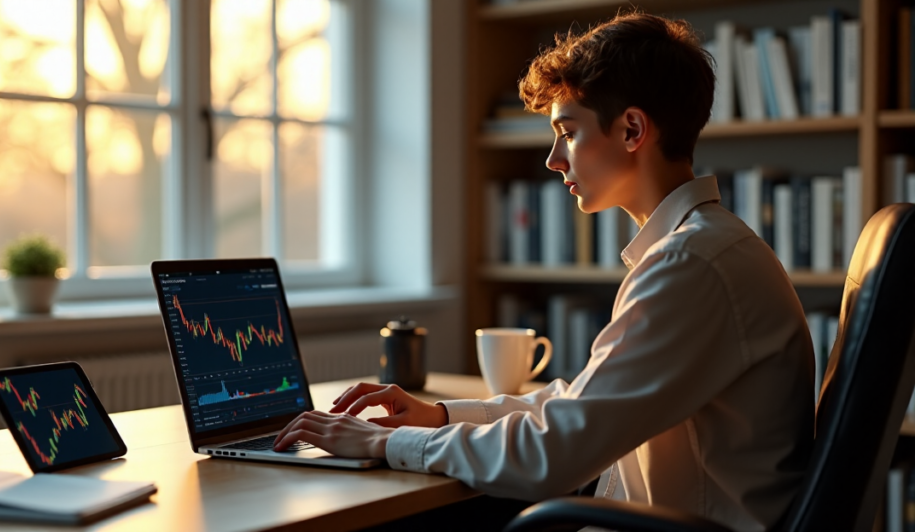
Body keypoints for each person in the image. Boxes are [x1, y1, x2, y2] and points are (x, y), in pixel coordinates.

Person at [274, 12, 814, 531]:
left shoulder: (691, 265)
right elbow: (581, 404)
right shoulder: (704, 248)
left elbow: (554, 454)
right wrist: (441, 417)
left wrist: (381, 442)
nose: (554, 159)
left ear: (631, 130)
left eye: (568, 132)